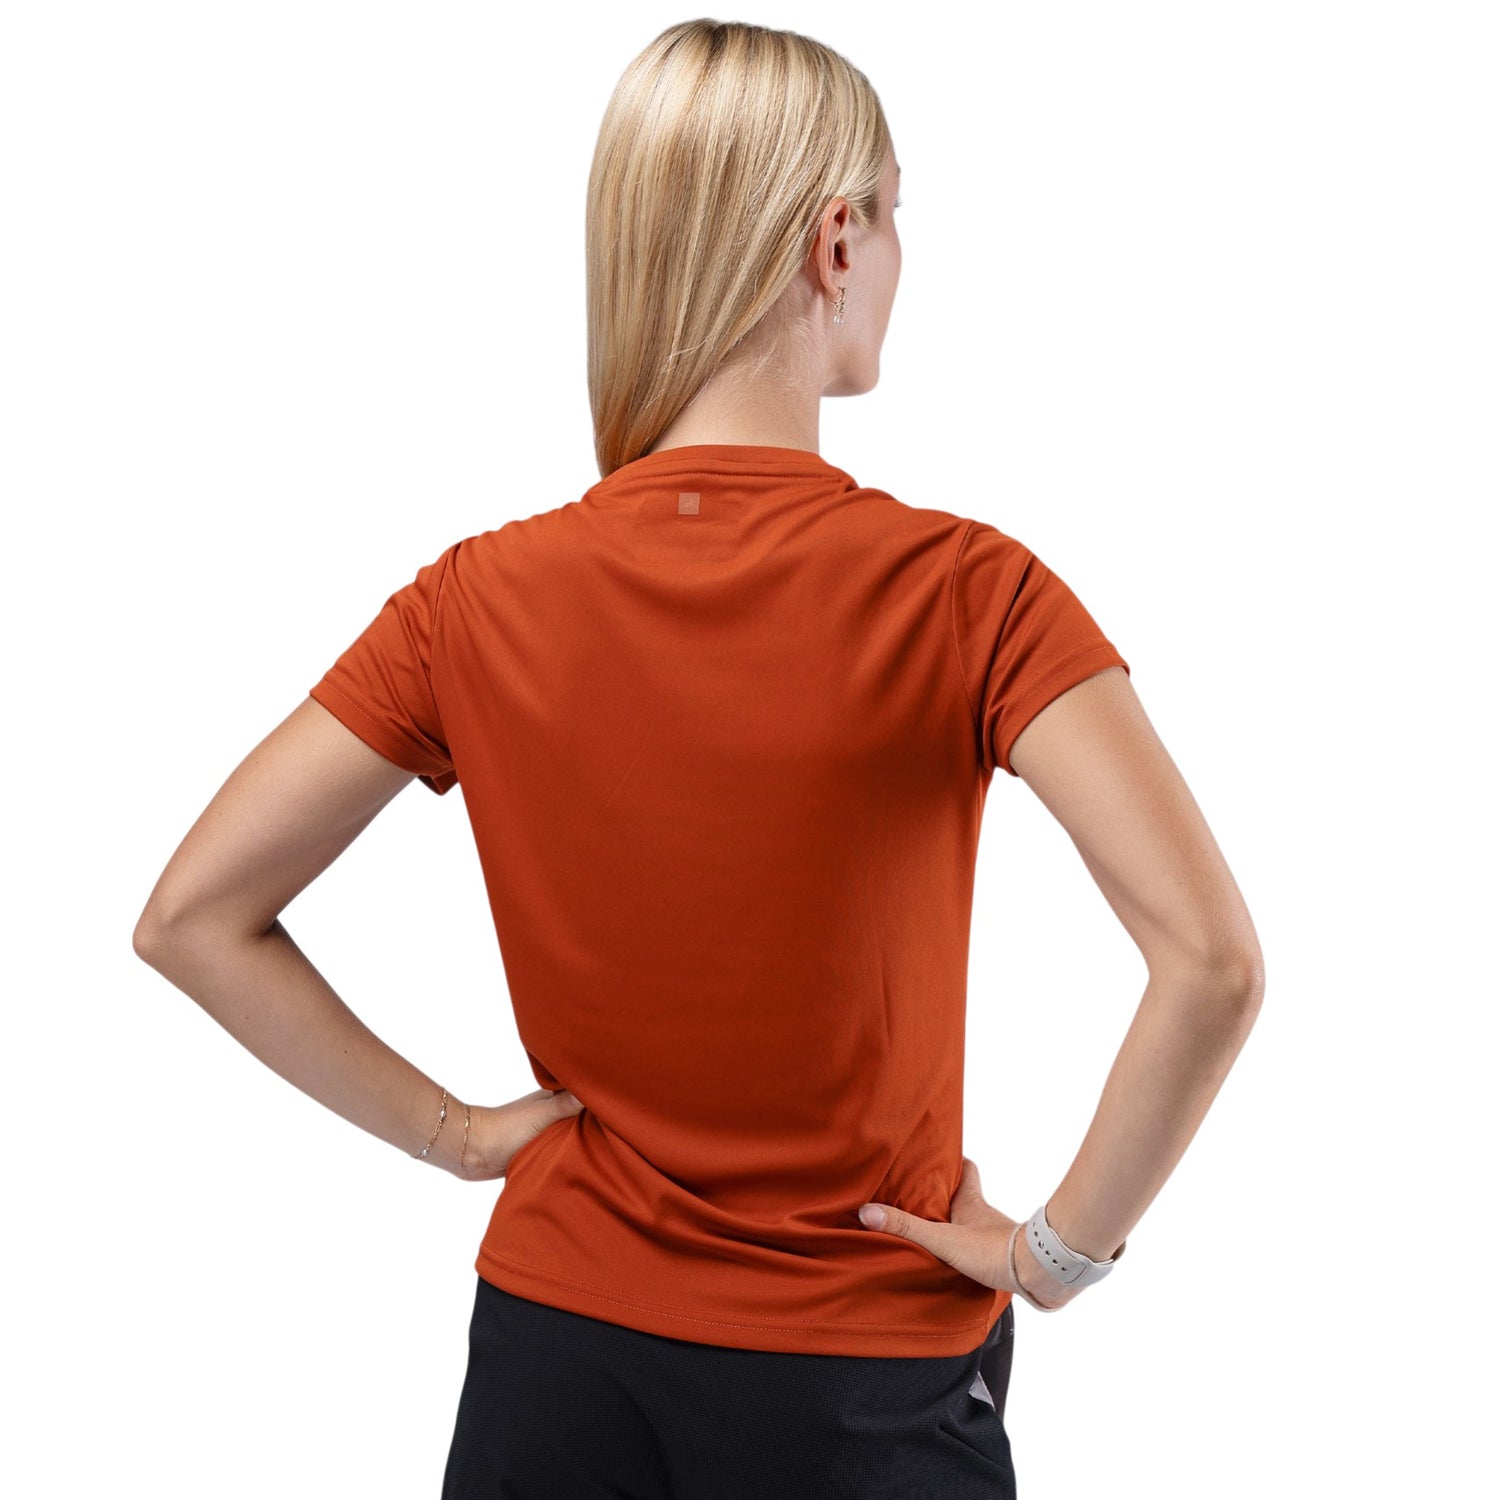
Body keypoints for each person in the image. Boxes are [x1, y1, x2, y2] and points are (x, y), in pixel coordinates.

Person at [132, 17, 1264, 1500]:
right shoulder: (964, 592)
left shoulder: (474, 600)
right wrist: (1056, 1254)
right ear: (834, 241)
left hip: (553, 1355)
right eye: (897, 213)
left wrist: (458, 1138)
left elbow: (192, 917)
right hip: (858, 1380)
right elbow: (1211, 961)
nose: (901, 255)